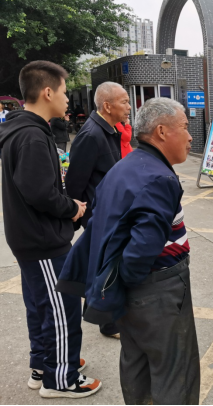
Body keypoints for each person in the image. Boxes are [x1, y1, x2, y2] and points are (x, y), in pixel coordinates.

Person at [56, 98, 200, 404]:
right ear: (162, 132)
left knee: (136, 361)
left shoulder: (125, 166)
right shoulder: (160, 178)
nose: (190, 137)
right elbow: (140, 252)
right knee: (175, 370)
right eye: (185, 127)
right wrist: (134, 283)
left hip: (129, 291)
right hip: (158, 289)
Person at [0, 60, 100, 398]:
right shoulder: (31, 135)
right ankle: (61, 378)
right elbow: (40, 192)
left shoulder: (25, 129)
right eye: (63, 91)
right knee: (62, 307)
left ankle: (45, 365)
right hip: (41, 239)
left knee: (42, 305)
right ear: (47, 92)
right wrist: (73, 208)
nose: (67, 98)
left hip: (31, 236)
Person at [65, 81, 130, 338]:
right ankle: (108, 323)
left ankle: (104, 315)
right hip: (99, 215)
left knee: (106, 265)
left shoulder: (109, 130)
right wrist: (78, 216)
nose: (128, 107)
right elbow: (75, 182)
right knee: (105, 266)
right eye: (124, 102)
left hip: (111, 212)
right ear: (107, 106)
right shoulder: (91, 135)